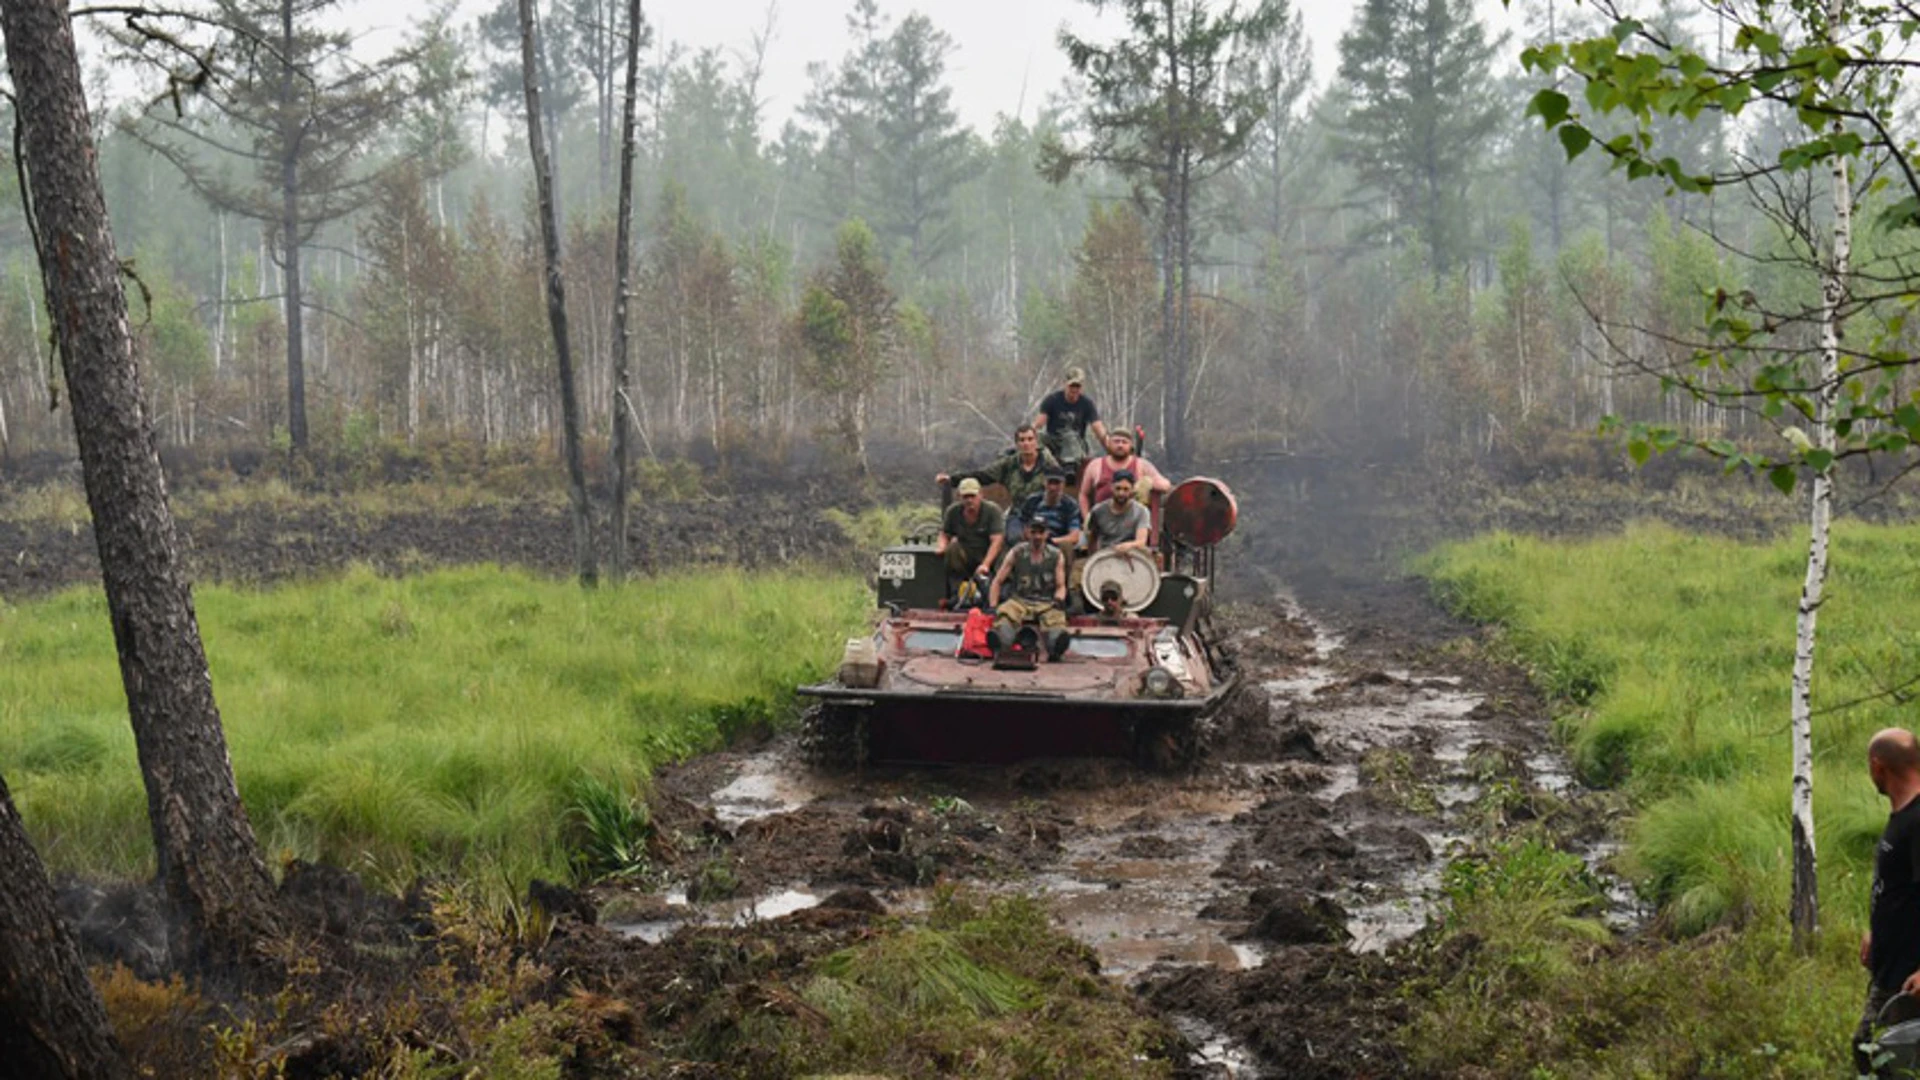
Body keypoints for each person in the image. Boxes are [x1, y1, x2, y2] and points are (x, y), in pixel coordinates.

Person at [1856, 727, 1920, 1074]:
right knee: (1872, 1053)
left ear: (1878, 766)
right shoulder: (1903, 817)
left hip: (1909, 976)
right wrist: (1875, 932)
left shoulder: (1918, 820)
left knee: (1875, 1056)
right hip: (1890, 966)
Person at [936, 424, 1060, 537]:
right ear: (1017, 444)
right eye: (1022, 440)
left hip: (1044, 512)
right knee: (1014, 538)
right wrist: (952, 480)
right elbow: (983, 476)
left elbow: (1060, 484)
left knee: (1048, 538)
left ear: (1036, 441)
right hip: (1018, 514)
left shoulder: (1048, 464)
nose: (1026, 443)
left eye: (1030, 439)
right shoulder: (1009, 464)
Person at [987, 516, 1069, 660]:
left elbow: (1061, 586)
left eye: (1041, 532)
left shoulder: (1056, 555)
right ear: (1027, 533)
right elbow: (998, 581)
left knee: (1056, 619)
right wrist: (993, 606)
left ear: (1047, 533)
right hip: (1019, 600)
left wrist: (1058, 599)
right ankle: (1001, 641)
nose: (1037, 536)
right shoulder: (1017, 552)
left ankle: (1056, 645)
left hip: (1046, 602)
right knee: (1006, 613)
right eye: (1033, 532)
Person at [1078, 427, 1170, 519]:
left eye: (1124, 442)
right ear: (1109, 444)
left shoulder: (1141, 465)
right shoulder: (1095, 465)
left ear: (1130, 445)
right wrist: (1087, 519)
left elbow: (1166, 485)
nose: (1120, 445)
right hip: (1102, 522)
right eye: (1116, 441)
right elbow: (1083, 494)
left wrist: (1147, 483)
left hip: (1133, 524)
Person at [936, 477, 1005, 601]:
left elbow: (997, 540)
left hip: (987, 555)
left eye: (973, 496)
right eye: (965, 497)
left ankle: (991, 595)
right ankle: (956, 593)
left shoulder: (992, 511)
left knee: (1004, 556)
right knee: (952, 548)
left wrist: (985, 564)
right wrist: (942, 547)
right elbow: (944, 534)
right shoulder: (953, 511)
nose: (969, 500)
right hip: (965, 555)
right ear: (959, 497)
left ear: (981, 495)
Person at [1032, 368, 1109, 478]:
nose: (1074, 389)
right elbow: (1039, 423)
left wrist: (1109, 446)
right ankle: (1035, 462)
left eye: (1077, 386)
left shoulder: (1086, 404)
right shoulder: (1052, 400)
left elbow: (1097, 428)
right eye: (1072, 386)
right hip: (1054, 439)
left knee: (1069, 435)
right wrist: (1029, 435)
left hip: (1075, 444)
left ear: (1082, 387)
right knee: (1037, 437)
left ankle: (1069, 468)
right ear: (1065, 384)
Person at [1017, 466, 1083, 552]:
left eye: (1057, 483)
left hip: (1057, 544)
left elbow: (1074, 537)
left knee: (1066, 547)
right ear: (1044, 482)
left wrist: (1049, 542)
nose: (1053, 488)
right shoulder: (1032, 501)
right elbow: (1023, 527)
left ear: (1064, 484)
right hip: (1033, 541)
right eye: (1050, 483)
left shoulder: (1070, 505)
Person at [1086, 471, 1152, 556]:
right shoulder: (1098, 510)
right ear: (1111, 487)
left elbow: (1141, 541)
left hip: (1133, 555)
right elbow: (1092, 539)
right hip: (1106, 555)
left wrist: (1128, 545)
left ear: (1132, 490)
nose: (1121, 493)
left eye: (1126, 489)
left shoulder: (1141, 511)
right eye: (1118, 488)